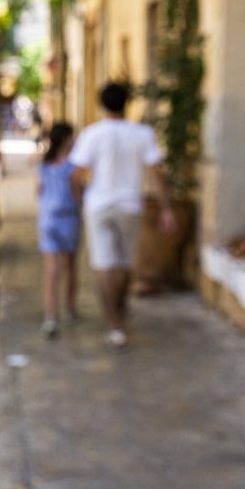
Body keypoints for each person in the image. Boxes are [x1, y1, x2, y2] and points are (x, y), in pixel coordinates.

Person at [69, 82, 176, 349]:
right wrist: (167, 208)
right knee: (125, 264)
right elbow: (157, 173)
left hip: (99, 206)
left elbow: (75, 175)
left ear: (101, 104)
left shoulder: (92, 134)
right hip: (130, 206)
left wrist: (81, 200)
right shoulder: (142, 134)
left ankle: (114, 323)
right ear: (127, 103)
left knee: (104, 265)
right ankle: (121, 308)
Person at [37, 122, 81, 338]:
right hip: (68, 219)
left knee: (51, 270)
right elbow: (77, 194)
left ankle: (51, 316)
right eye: (72, 137)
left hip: (47, 219)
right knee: (70, 266)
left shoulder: (43, 165)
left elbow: (38, 190)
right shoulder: (72, 167)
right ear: (65, 140)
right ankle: (69, 309)